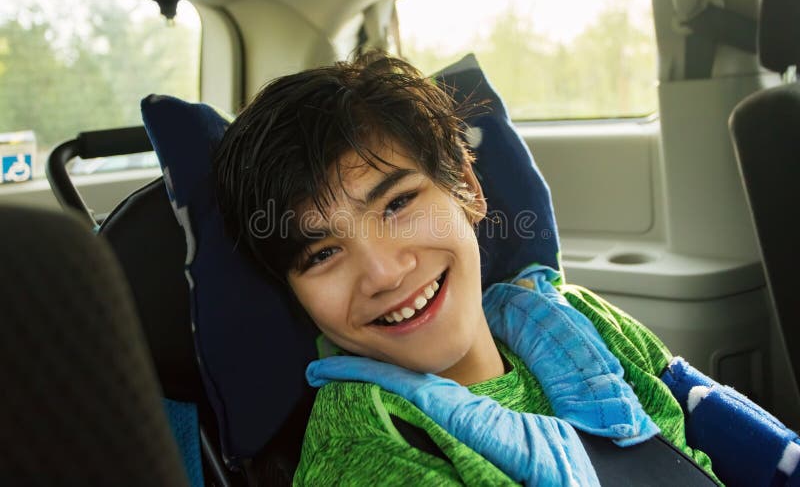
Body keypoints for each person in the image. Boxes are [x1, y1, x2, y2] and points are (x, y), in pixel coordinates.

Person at [214, 53, 798, 486]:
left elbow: (753, 443)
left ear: (466, 188)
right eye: (321, 254)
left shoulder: (575, 322)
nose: (385, 273)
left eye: (397, 204)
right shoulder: (367, 451)